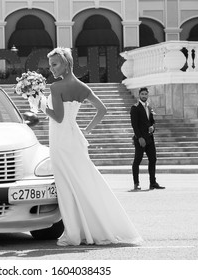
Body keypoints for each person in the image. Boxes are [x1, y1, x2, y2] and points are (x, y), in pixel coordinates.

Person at [40, 47, 143, 246]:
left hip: (61, 141)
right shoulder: (81, 86)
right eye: (50, 65)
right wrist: (86, 130)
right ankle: (91, 228)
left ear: (66, 64)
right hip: (74, 137)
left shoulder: (56, 87)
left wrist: (41, 105)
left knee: (67, 187)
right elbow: (102, 110)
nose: (51, 69)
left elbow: (59, 118)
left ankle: (74, 234)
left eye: (54, 64)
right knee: (83, 182)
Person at [130, 87, 165, 191]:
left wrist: (152, 127)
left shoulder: (149, 107)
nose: (144, 96)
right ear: (139, 95)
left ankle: (153, 183)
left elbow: (153, 121)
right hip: (140, 139)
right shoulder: (135, 107)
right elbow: (134, 125)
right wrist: (139, 137)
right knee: (137, 160)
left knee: (153, 159)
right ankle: (136, 183)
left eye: (145, 94)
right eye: (142, 94)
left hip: (150, 139)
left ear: (147, 95)